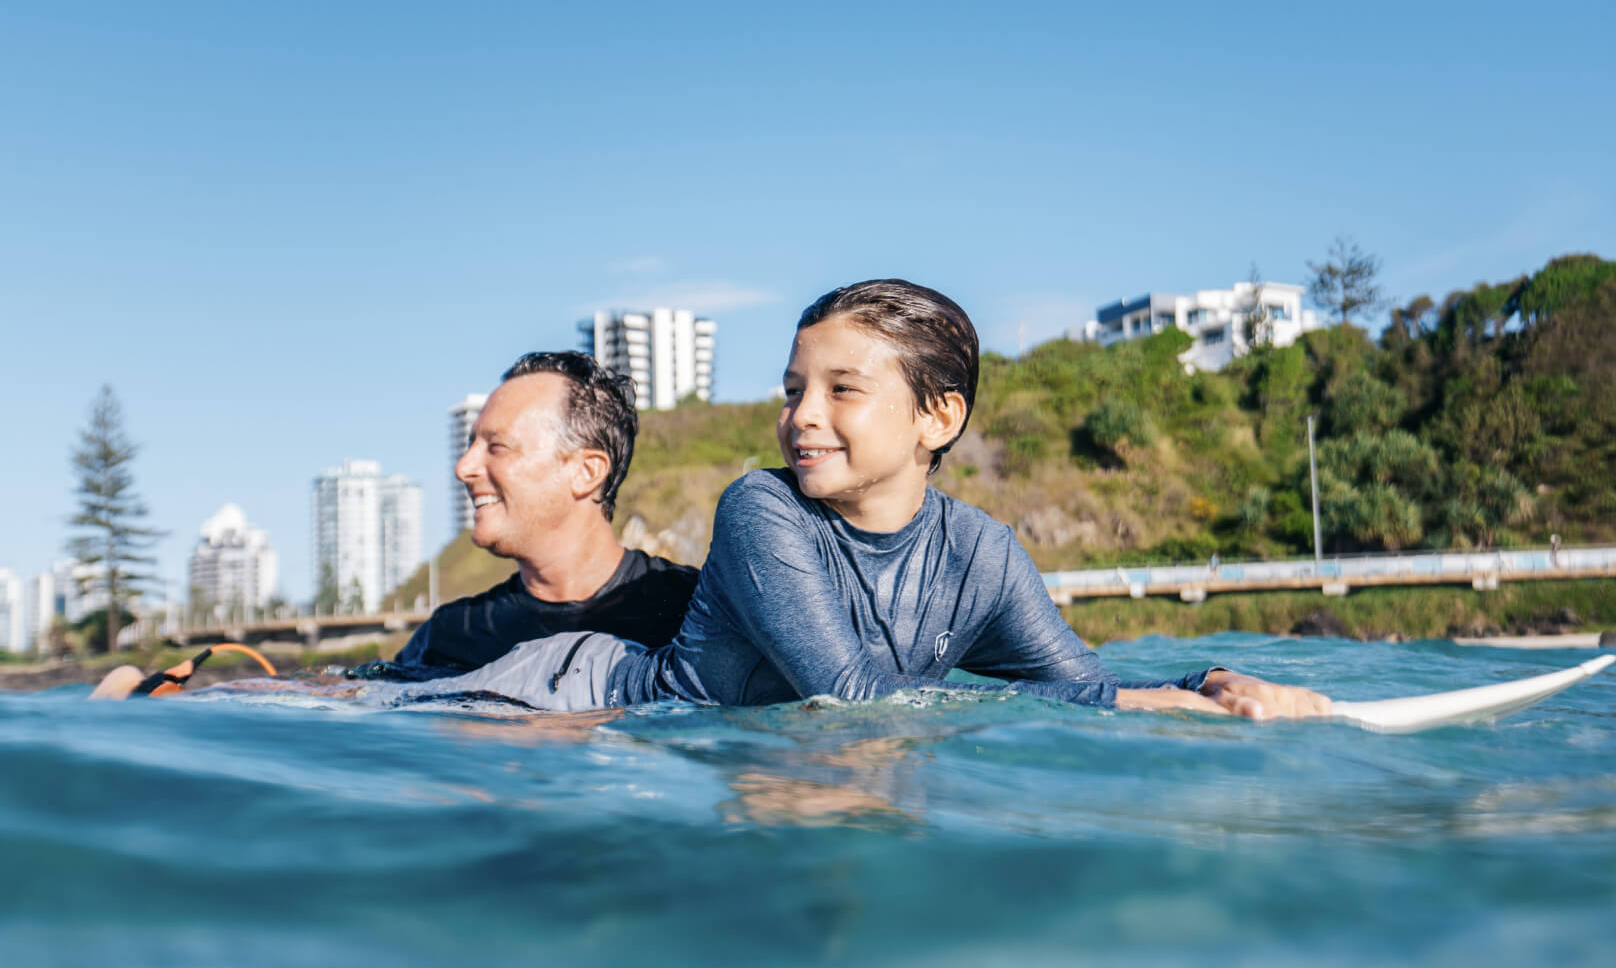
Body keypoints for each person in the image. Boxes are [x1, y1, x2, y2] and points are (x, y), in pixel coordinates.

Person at [394, 279, 1332, 720]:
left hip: (677, 733)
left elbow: (1076, 685)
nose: (803, 416)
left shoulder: (982, 554)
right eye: (795, 388)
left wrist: (1207, 686)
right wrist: (1161, 711)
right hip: (566, 692)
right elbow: (851, 698)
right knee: (368, 710)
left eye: (842, 390)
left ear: (938, 416)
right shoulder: (762, 511)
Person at [91, 351, 698, 699]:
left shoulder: (693, 610)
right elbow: (347, 694)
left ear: (585, 472)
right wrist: (175, 697)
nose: (464, 468)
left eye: (497, 447)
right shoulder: (452, 631)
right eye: (468, 445)